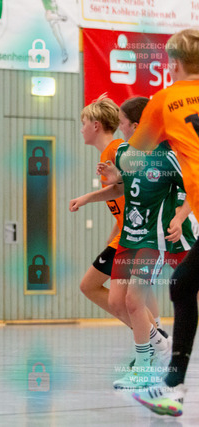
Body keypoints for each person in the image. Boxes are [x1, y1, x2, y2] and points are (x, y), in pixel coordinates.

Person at [111, 28, 199, 417]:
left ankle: (171, 386)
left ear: (174, 64)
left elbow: (134, 155)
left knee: (181, 285)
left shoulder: (165, 100)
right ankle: (172, 387)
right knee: (182, 283)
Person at [70, 97, 171, 370]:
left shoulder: (116, 149)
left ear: (96, 125)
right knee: (129, 296)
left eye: (83, 123)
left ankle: (156, 342)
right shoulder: (110, 152)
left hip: (137, 236)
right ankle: (156, 340)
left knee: (100, 290)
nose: (80, 129)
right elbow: (126, 199)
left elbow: (135, 187)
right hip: (127, 234)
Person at [95, 140, 192, 390]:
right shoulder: (126, 153)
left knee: (138, 298)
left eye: (125, 124)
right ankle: (159, 346)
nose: (123, 129)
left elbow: (193, 188)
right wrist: (103, 186)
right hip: (133, 239)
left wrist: (179, 218)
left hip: (160, 238)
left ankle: (146, 364)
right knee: (121, 301)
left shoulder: (168, 157)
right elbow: (124, 188)